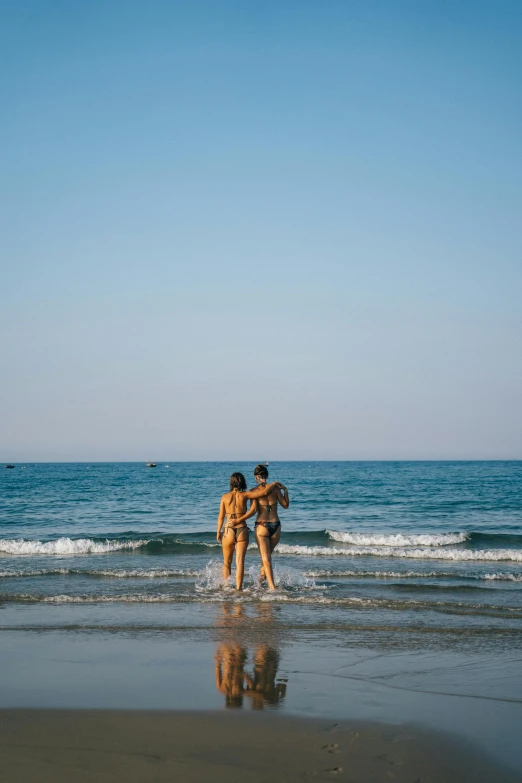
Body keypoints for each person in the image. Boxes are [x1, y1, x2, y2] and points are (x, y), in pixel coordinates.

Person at [216, 472, 280, 590]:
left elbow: (221, 516)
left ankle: (227, 587)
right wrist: (274, 484)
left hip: (228, 530)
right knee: (240, 562)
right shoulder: (246, 495)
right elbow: (264, 493)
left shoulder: (224, 497)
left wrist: (218, 532)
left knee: (227, 562)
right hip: (242, 529)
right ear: (243, 482)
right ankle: (239, 588)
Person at [232, 464, 289, 590]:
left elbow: (252, 511)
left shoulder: (254, 491)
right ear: (266, 476)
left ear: (255, 477)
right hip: (276, 525)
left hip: (262, 526)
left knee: (266, 558)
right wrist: (285, 490)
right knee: (267, 557)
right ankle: (261, 580)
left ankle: (272, 588)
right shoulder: (275, 489)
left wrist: (239, 520)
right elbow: (285, 505)